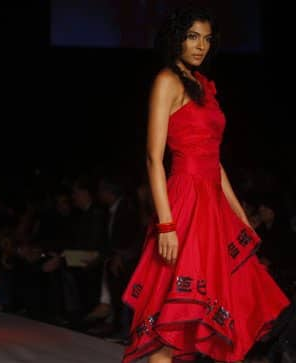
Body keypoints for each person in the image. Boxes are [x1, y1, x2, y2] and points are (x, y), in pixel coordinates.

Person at [120, 5, 290, 363]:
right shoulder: (167, 80)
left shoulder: (204, 87)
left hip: (212, 203)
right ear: (176, 38)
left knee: (207, 317)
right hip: (185, 201)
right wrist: (165, 223)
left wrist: (239, 214)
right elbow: (154, 158)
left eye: (208, 40)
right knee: (172, 328)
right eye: (193, 37)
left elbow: (217, 162)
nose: (201, 46)